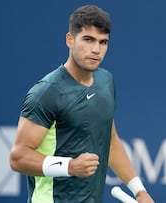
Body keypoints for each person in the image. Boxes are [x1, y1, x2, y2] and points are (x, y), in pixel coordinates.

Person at [9, 5, 155, 203]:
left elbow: (110, 142)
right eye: (88, 39)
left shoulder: (105, 82)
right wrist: (69, 166)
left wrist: (139, 191)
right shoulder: (46, 92)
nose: (96, 49)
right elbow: (18, 157)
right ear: (70, 40)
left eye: (103, 42)